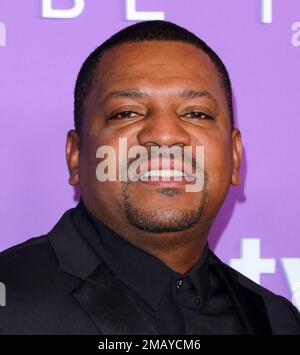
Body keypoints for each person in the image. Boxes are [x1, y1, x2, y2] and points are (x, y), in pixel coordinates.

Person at [0, 20, 299, 335]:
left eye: (196, 113)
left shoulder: (277, 320)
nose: (165, 135)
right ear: (76, 156)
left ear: (236, 157)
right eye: (126, 113)